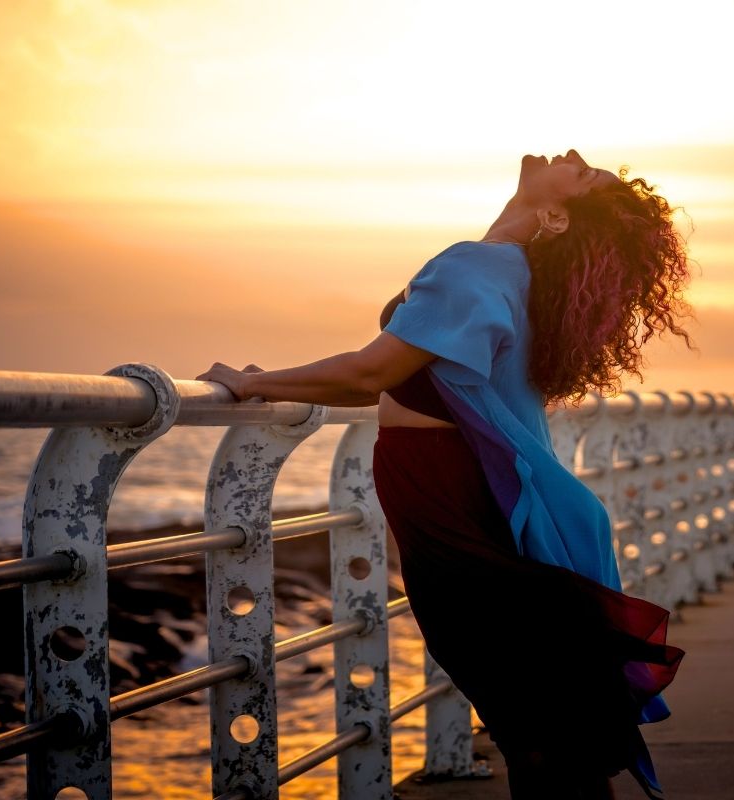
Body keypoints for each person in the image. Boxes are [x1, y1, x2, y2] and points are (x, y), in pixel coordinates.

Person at [198, 149, 691, 799]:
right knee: (535, 710)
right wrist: (277, 383)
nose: (572, 154)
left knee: (526, 714)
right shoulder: (516, 277)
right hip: (476, 494)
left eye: (581, 173)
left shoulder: (476, 267)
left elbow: (372, 372)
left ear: (557, 217)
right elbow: (391, 383)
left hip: (451, 499)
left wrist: (252, 383)